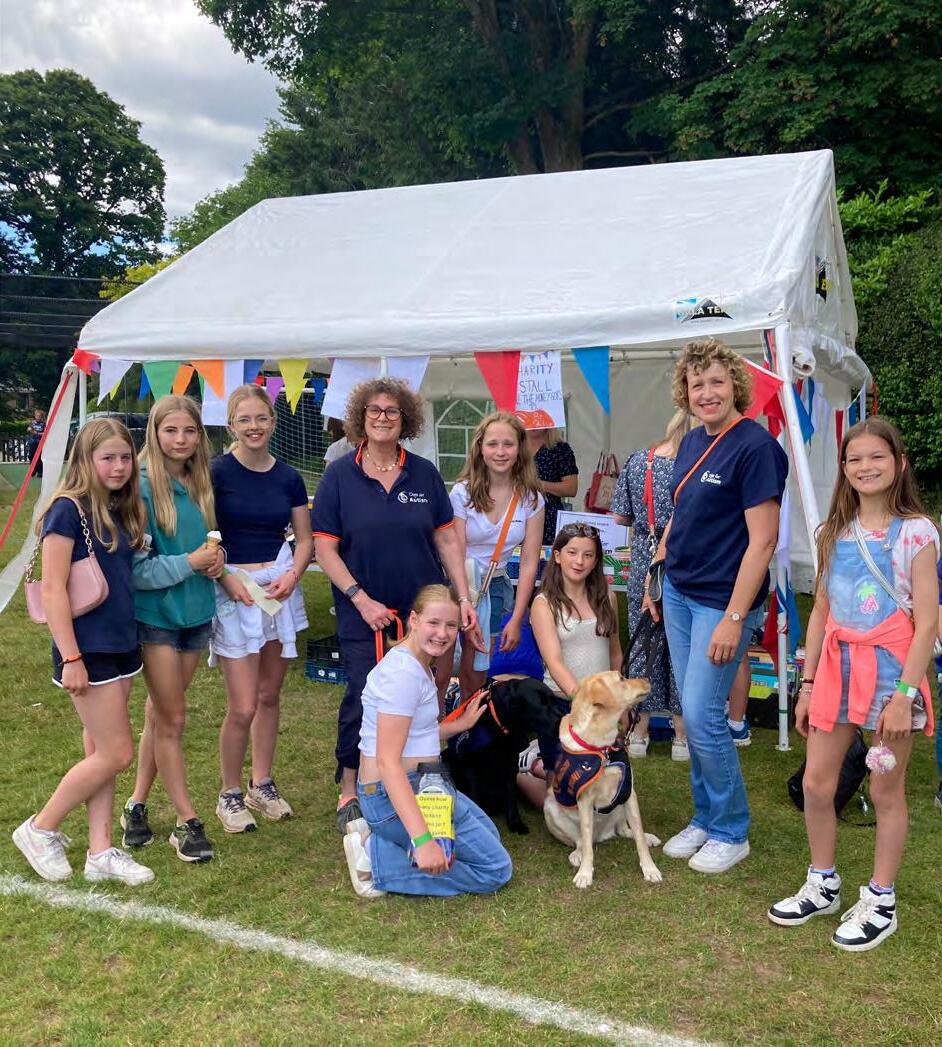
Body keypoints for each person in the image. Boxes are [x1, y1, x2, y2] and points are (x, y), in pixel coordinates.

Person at [768, 419, 938, 950]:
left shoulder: (918, 533)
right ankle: (822, 881)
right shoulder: (832, 532)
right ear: (843, 469)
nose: (865, 467)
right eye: (854, 459)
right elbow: (821, 611)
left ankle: (881, 899)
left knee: (885, 790)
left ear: (899, 463)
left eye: (876, 457)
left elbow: (927, 623)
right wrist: (806, 683)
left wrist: (904, 697)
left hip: (891, 677)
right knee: (817, 784)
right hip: (835, 674)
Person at [645, 338, 787, 874]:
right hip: (680, 590)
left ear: (735, 387)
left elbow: (764, 541)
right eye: (696, 383)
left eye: (716, 382)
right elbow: (681, 513)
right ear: (685, 391)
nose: (706, 392)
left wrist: (734, 617)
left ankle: (731, 829)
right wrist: (658, 570)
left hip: (720, 601)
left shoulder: (756, 447)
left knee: (705, 716)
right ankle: (705, 817)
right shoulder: (691, 441)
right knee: (692, 708)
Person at [311, 378, 476, 834]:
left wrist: (463, 597)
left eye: (392, 411)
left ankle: (418, 777)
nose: (382, 417)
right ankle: (352, 785)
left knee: (423, 693)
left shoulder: (423, 473)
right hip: (362, 611)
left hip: (422, 613)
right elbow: (325, 549)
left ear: (406, 420)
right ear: (360, 417)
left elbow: (447, 540)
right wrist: (360, 600)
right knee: (364, 693)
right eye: (374, 410)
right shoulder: (339, 475)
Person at [12, 419, 154, 886]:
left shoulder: (117, 506)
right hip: (87, 649)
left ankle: (100, 850)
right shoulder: (66, 510)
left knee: (99, 748)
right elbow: (53, 589)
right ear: (85, 460)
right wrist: (71, 658)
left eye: (125, 457)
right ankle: (40, 827)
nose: (118, 466)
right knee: (116, 753)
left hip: (121, 643)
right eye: (107, 458)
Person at [342, 584, 513, 898]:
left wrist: (458, 725)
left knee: (489, 836)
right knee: (494, 869)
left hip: (422, 784)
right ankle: (374, 858)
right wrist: (422, 841)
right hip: (391, 796)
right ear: (414, 620)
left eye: (451, 625)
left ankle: (383, 838)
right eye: (434, 623)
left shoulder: (416, 662)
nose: (442, 633)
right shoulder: (403, 675)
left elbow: (413, 733)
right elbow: (388, 762)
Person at [120, 396, 223, 862]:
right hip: (157, 620)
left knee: (160, 716)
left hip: (196, 616)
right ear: (154, 433)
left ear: (200, 435)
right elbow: (137, 571)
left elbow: (206, 546)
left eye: (190, 431)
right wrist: (191, 562)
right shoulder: (140, 487)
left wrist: (216, 560)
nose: (181, 440)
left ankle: (136, 806)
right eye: (171, 430)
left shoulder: (200, 482)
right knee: (173, 718)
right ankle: (186, 821)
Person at [211, 384, 314, 833]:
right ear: (231, 425)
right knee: (242, 704)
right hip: (234, 590)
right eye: (244, 420)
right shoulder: (215, 472)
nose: (254, 427)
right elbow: (205, 536)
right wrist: (225, 577)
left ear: (273, 422)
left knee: (270, 695)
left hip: (277, 589)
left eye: (261, 418)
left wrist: (293, 575)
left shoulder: (289, 477)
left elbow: (305, 539)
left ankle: (262, 783)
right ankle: (229, 793)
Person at [522, 523, 621, 806]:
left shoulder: (608, 598)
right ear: (557, 555)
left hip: (602, 705)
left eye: (588, 555)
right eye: (572, 552)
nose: (579, 561)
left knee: (602, 798)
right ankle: (528, 772)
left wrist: (620, 701)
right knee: (563, 805)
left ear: (596, 561)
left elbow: (615, 653)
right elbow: (554, 662)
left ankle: (538, 765)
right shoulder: (544, 603)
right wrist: (583, 701)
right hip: (561, 704)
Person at [450, 411, 545, 701]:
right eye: (493, 444)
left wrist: (517, 617)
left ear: (519, 449)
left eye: (508, 444)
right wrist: (464, 599)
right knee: (447, 667)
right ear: (480, 448)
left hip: (495, 587)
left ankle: (472, 719)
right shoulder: (462, 493)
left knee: (478, 669)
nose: (500, 452)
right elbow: (454, 550)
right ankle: (447, 718)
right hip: (459, 584)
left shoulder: (531, 499)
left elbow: (529, 563)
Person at [612, 411, 690, 761]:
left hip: (645, 558)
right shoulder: (698, 466)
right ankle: (681, 735)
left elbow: (620, 516)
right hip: (687, 560)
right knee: (681, 647)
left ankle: (639, 731)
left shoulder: (638, 461)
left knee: (643, 644)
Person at [526, 428, 577, 545]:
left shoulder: (560, 449)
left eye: (540, 419)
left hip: (549, 517)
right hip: (516, 514)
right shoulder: (513, 448)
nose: (534, 424)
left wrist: (537, 484)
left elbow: (571, 488)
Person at [27, 407, 46, 478]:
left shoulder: (43, 424)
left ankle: (40, 472)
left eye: (39, 416)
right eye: (36, 416)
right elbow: (28, 429)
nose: (38, 417)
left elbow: (45, 433)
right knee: (31, 456)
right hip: (32, 442)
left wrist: (37, 433)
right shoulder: (32, 423)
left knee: (39, 457)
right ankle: (33, 470)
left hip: (40, 443)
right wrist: (29, 429)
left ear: (41, 417)